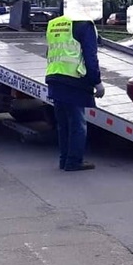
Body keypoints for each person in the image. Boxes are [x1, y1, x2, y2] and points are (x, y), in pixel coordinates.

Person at [45, 13, 105, 171]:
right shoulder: (85, 24)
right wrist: (97, 82)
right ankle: (74, 162)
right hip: (74, 80)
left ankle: (64, 160)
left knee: (63, 124)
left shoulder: (54, 23)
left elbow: (49, 51)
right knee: (78, 124)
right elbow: (90, 56)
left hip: (55, 76)